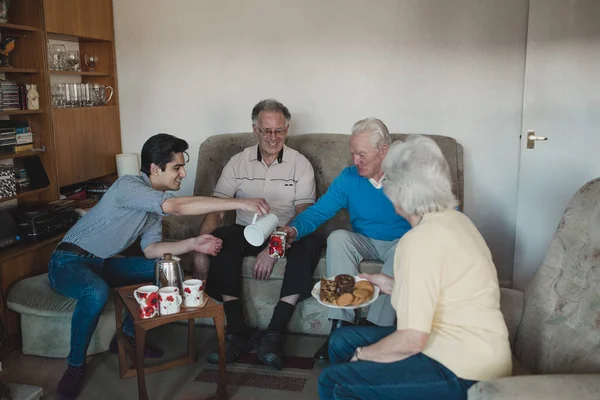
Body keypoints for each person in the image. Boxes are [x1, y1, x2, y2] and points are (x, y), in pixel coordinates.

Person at [48, 133, 269, 399]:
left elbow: (151, 250)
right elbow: (175, 207)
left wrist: (194, 243)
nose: (183, 174)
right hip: (67, 262)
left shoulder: (154, 205)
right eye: (177, 167)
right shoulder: (127, 186)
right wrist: (240, 202)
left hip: (103, 263)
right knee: (95, 292)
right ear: (155, 169)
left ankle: (128, 336)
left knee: (165, 270)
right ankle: (75, 366)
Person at [318, 135, 512, 400]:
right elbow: (439, 290)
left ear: (399, 191)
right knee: (341, 340)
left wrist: (362, 356)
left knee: (334, 381)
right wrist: (388, 284)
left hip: (462, 369)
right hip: (471, 351)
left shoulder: (417, 241)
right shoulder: (456, 221)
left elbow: (411, 340)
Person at [194, 99, 321, 370]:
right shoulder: (237, 162)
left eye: (279, 131)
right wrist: (200, 248)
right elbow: (216, 209)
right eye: (267, 131)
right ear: (255, 129)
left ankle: (274, 334)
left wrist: (274, 248)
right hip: (245, 229)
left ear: (287, 130)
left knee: (310, 242)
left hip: (287, 231)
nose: (273, 138)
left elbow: (305, 215)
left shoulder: (301, 164)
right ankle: (237, 333)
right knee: (222, 238)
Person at [279, 118, 411, 361]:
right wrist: (294, 230)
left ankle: (376, 331)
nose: (355, 161)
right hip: (365, 239)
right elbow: (320, 211)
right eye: (353, 154)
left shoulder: (407, 174)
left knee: (406, 247)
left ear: (383, 151)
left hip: (400, 242)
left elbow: (443, 208)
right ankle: (340, 327)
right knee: (338, 237)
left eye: (361, 154)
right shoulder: (349, 177)